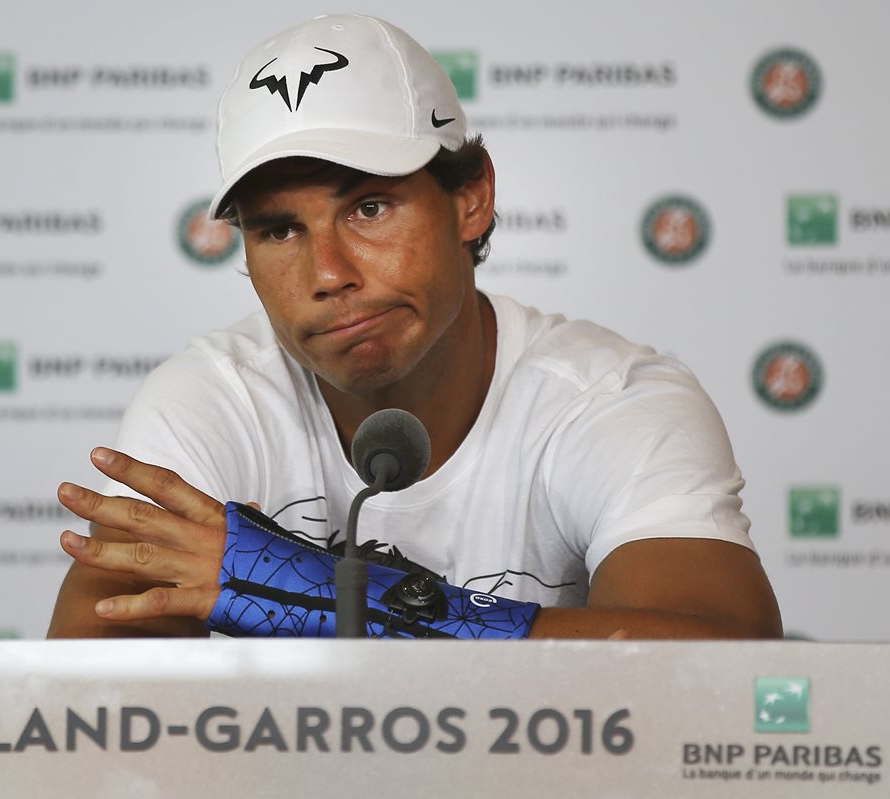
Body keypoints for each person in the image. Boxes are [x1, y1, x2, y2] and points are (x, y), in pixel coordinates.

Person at [47, 14, 782, 640]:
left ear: (470, 198)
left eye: (368, 208)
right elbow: (83, 712)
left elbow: (724, 666)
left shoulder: (608, 399)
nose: (327, 272)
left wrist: (301, 591)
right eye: (278, 229)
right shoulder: (213, 399)